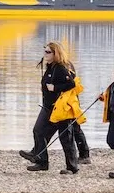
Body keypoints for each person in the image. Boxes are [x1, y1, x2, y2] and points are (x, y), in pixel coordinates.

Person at [19, 42, 79, 174]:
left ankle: (72, 167)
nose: (45, 54)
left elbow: (71, 84)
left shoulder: (60, 68)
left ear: (56, 54)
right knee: (38, 131)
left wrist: (55, 88)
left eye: (48, 52)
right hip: (47, 106)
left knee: (65, 137)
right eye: (45, 51)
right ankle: (41, 161)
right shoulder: (50, 67)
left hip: (60, 108)